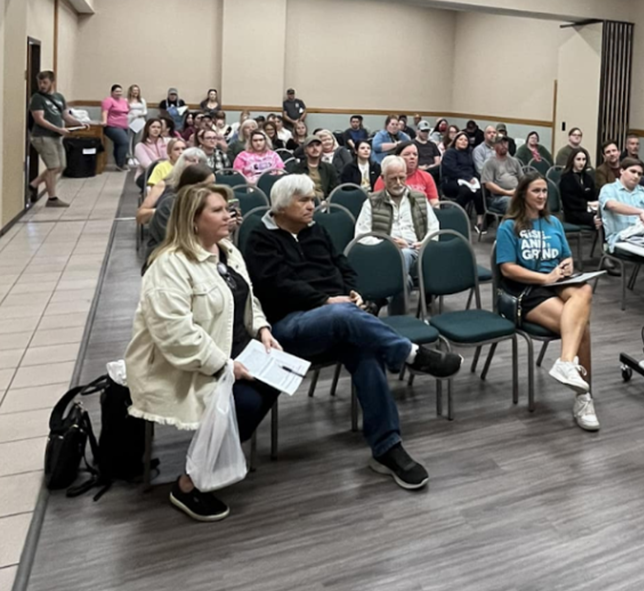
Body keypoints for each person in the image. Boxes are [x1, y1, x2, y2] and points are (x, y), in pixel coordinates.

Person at [245, 174, 461, 490]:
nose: (312, 205)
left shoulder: (315, 231)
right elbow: (275, 287)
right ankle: (409, 354)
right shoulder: (259, 239)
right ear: (281, 205)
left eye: (311, 199)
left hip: (337, 316)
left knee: (365, 350)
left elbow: (342, 265)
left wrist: (353, 290)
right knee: (344, 316)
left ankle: (387, 449)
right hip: (289, 327)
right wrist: (325, 300)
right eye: (303, 200)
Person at [126, 183, 278, 522]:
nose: (230, 215)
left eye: (228, 208)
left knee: (275, 379)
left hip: (236, 348)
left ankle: (218, 455)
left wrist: (264, 329)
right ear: (193, 220)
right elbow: (175, 333)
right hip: (186, 364)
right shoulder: (169, 265)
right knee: (248, 401)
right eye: (218, 210)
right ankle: (187, 485)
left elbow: (248, 299)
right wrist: (225, 365)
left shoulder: (228, 251)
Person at [496, 172, 598, 431]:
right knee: (581, 327)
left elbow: (566, 257)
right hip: (528, 290)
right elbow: (507, 269)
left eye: (544, 191)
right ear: (523, 194)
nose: (542, 196)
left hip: (556, 282)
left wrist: (566, 266)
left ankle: (565, 364)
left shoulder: (554, 222)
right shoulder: (509, 226)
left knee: (584, 290)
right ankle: (584, 397)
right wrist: (543, 278)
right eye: (536, 191)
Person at [359, 155, 440, 309]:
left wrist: (424, 243)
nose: (398, 183)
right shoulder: (371, 202)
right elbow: (361, 237)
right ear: (383, 178)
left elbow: (434, 229)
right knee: (405, 280)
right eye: (393, 178)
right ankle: (398, 323)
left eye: (401, 178)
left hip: (417, 253)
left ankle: (379, 300)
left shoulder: (420, 199)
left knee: (406, 253)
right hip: (382, 255)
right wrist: (389, 245)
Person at [28, 70, 85, 208]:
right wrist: (58, 129)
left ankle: (34, 184)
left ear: (52, 82)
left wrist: (79, 123)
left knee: (61, 166)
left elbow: (65, 116)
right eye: (40, 82)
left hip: (56, 137)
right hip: (42, 136)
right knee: (53, 167)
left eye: (45, 82)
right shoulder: (37, 98)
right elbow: (39, 119)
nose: (42, 85)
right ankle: (52, 199)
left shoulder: (59, 97)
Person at [142, 159, 216, 248]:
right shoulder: (169, 205)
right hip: (168, 251)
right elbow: (170, 239)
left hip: (197, 247)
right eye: (209, 185)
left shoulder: (207, 202)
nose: (213, 188)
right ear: (196, 185)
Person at [599, 158, 644, 253]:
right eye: (633, 171)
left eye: (639, 174)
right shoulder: (608, 189)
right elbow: (612, 205)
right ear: (622, 171)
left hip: (643, 238)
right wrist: (639, 211)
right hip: (619, 240)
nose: (636, 176)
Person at [440, 131, 486, 232]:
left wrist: (475, 178)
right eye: (460, 139)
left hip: (469, 180)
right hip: (451, 180)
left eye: (466, 140)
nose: (463, 142)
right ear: (455, 141)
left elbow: (473, 168)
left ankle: (479, 221)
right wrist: (467, 178)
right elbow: (451, 170)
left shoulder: (469, 152)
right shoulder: (450, 153)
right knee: (465, 191)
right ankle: (457, 217)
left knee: (479, 192)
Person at [373, 141, 439, 206]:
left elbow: (434, 201)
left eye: (415, 154)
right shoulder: (385, 178)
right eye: (407, 154)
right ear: (398, 157)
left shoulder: (426, 176)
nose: (412, 157)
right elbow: (377, 203)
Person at [559, 148, 602, 231]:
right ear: (572, 160)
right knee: (595, 219)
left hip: (589, 210)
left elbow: (593, 194)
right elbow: (569, 202)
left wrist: (595, 204)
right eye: (578, 159)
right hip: (573, 212)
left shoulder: (588, 177)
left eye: (584, 159)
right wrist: (588, 204)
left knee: (603, 217)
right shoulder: (566, 178)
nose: (581, 162)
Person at [481, 136, 525, 215]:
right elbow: (488, 184)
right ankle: (514, 226)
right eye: (500, 143)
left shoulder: (514, 161)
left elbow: (523, 179)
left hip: (516, 193)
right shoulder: (489, 163)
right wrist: (507, 192)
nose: (504, 145)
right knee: (512, 203)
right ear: (494, 146)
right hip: (498, 197)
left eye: (505, 142)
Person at [286, 135, 339, 201]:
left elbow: (335, 189)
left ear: (321, 148)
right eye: (311, 146)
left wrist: (327, 201)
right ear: (305, 150)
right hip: (304, 202)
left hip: (324, 203)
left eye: (317, 145)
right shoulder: (297, 168)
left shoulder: (329, 168)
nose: (315, 148)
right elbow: (292, 190)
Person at [100, 84, 131, 171]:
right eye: (116, 91)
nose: (118, 93)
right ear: (112, 92)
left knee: (119, 145)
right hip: (112, 126)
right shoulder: (108, 100)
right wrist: (104, 121)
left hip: (124, 126)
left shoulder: (124, 101)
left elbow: (127, 111)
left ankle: (119, 164)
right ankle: (121, 164)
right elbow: (105, 111)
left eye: (120, 91)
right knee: (124, 142)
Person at [125, 84, 148, 161]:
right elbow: (124, 111)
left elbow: (145, 111)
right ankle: (129, 156)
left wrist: (139, 114)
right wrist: (131, 115)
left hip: (140, 121)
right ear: (130, 91)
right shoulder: (126, 100)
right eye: (134, 90)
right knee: (129, 139)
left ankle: (137, 156)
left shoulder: (142, 100)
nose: (135, 92)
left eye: (137, 90)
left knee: (138, 139)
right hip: (130, 121)